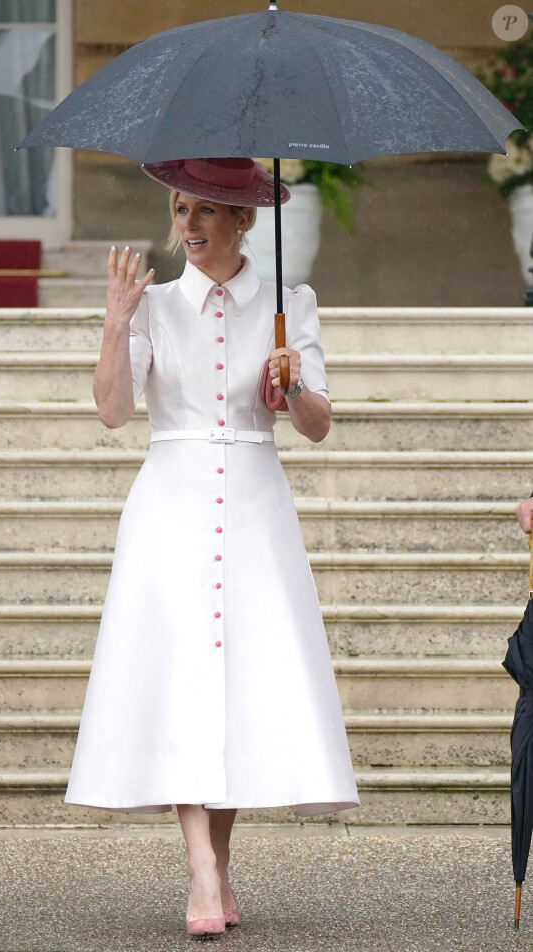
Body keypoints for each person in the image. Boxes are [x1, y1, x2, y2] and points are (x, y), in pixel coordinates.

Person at [64, 157, 359, 939]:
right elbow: (113, 413)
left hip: (257, 503)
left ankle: (215, 867)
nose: (188, 225)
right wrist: (116, 321)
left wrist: (291, 382)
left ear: (243, 221)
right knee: (185, 680)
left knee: (233, 689)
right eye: (181, 209)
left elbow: (319, 424)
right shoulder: (155, 306)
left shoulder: (290, 305)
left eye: (204, 212)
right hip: (172, 500)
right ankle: (201, 869)